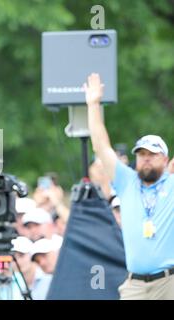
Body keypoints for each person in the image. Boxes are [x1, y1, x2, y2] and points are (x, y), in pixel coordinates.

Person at [85, 73, 174, 299]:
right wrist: (93, 104)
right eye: (142, 154)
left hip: (170, 281)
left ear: (165, 159)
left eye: (153, 155)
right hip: (134, 284)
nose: (146, 159)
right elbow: (101, 146)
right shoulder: (126, 182)